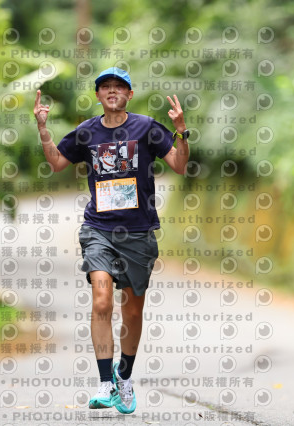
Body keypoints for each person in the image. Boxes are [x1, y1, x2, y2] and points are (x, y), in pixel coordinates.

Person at [34, 67, 189, 414]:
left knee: (132, 311)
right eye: (106, 86)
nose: (112, 91)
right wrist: (43, 129)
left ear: (129, 95)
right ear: (98, 95)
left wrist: (181, 132)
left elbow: (179, 165)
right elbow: (56, 162)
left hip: (138, 232)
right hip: (99, 229)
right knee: (102, 300)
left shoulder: (147, 127)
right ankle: (105, 383)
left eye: (119, 86)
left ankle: (124, 376)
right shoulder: (87, 132)